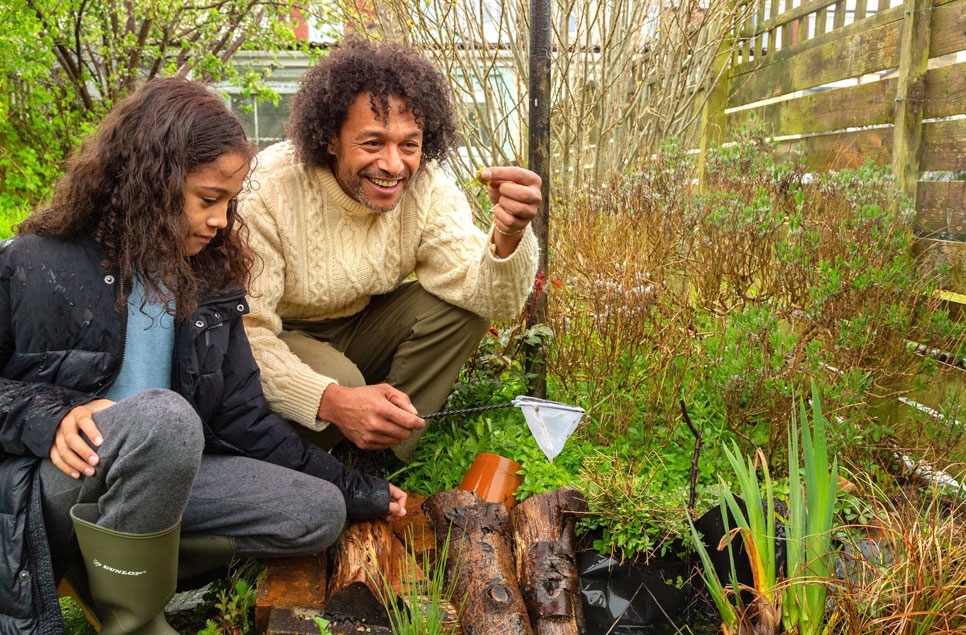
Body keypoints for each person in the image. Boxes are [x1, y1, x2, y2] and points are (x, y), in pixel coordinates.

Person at [0, 77, 406, 635]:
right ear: (152, 184)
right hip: (60, 484)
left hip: (161, 479)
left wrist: (354, 487)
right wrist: (49, 419)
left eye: (229, 203)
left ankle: (106, 574)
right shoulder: (32, 263)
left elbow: (244, 419)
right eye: (208, 200)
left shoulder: (206, 276)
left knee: (316, 513)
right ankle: (135, 620)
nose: (221, 222)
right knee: (164, 418)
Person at [241, 38, 542, 464]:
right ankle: (309, 460)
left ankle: (382, 457)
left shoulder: (427, 188)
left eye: (409, 144)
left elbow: (494, 298)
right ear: (329, 138)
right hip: (282, 331)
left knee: (462, 308)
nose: (393, 165)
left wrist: (509, 234)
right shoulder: (269, 190)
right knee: (341, 380)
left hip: (361, 323)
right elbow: (245, 334)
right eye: (372, 143)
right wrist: (332, 399)